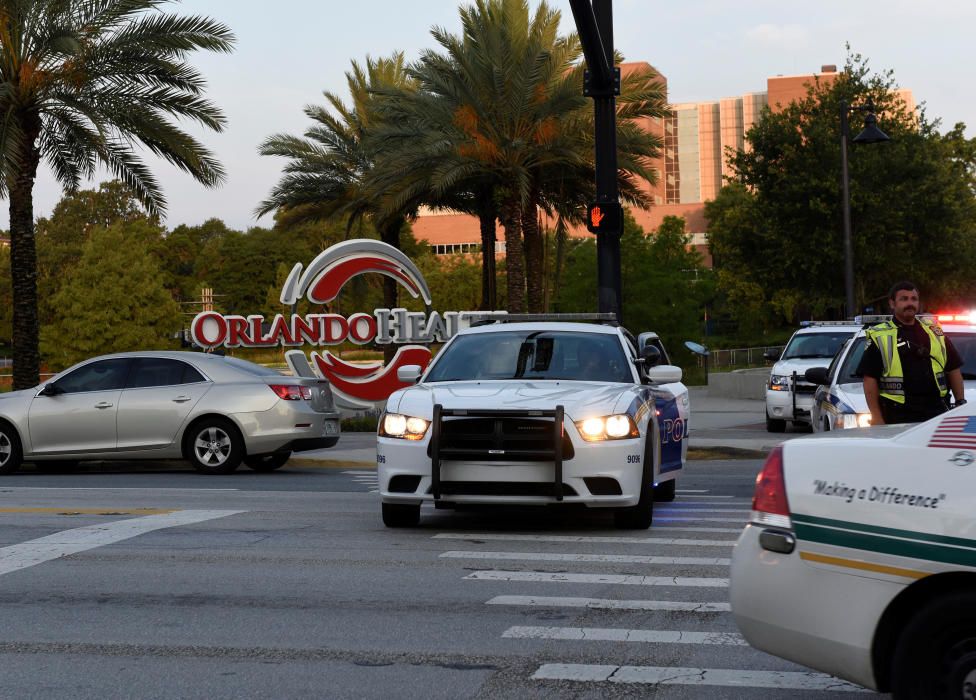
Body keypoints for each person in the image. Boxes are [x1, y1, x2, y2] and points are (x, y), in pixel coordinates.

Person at [858, 281, 966, 425]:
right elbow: (869, 380)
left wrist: (960, 402)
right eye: (904, 299)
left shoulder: (935, 333)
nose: (910, 303)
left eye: (913, 299)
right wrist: (876, 417)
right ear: (892, 304)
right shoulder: (880, 335)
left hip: (936, 412)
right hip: (897, 414)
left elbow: (953, 369)